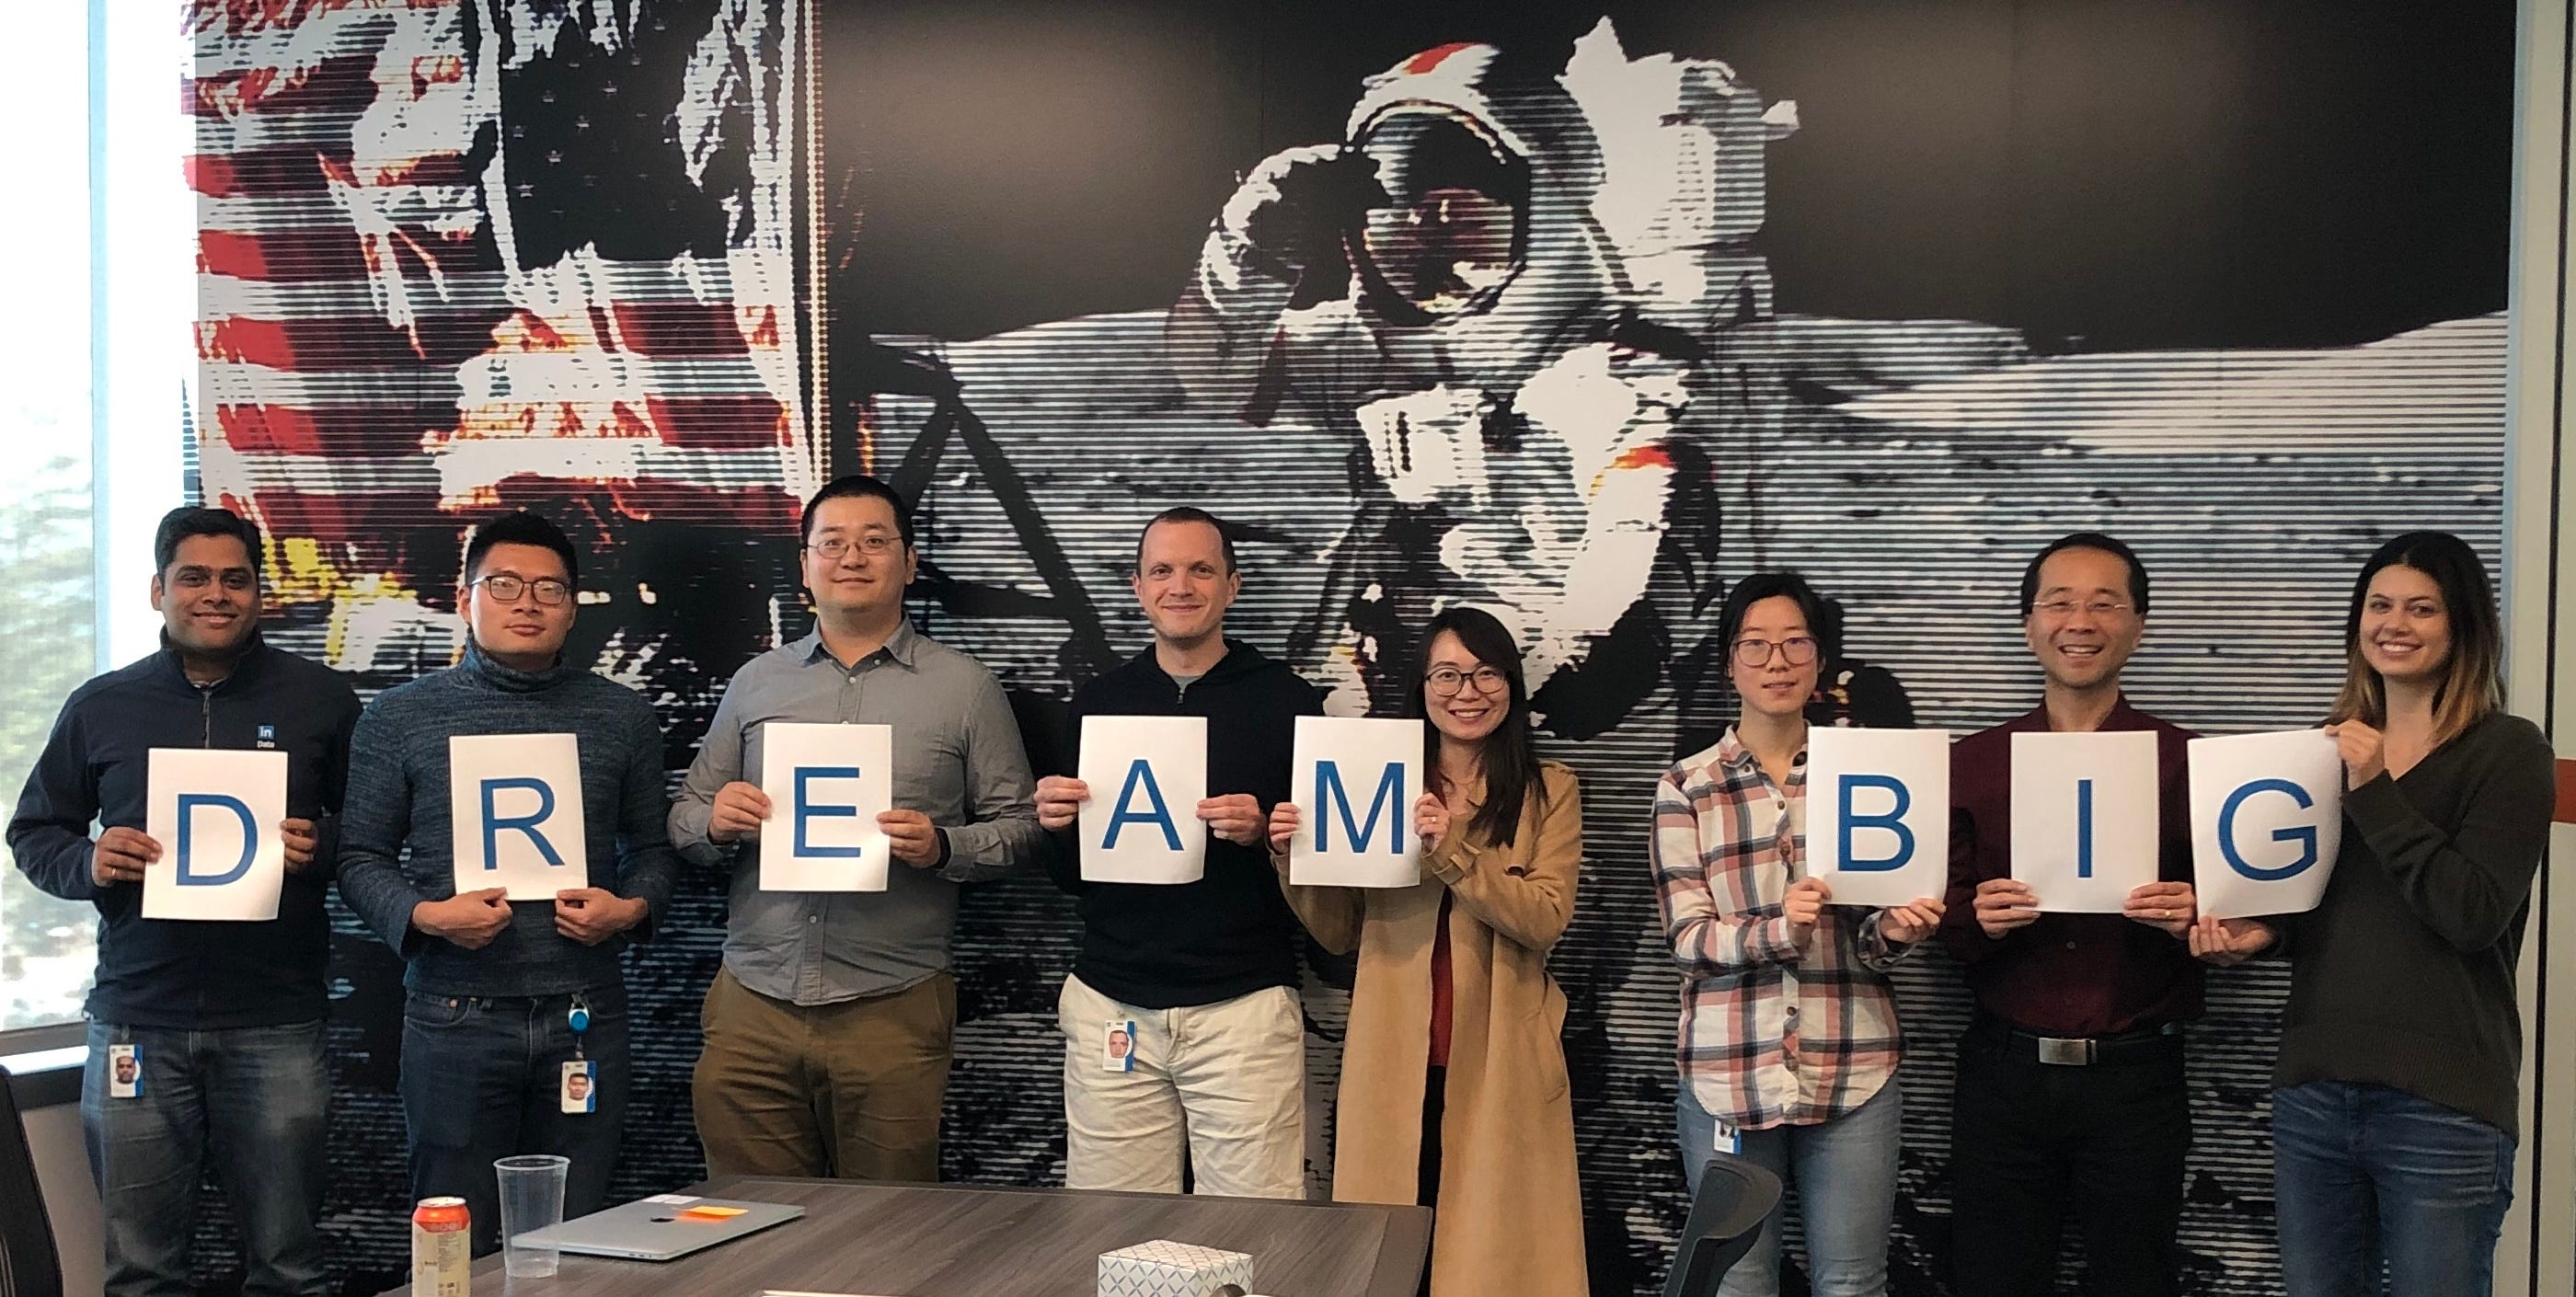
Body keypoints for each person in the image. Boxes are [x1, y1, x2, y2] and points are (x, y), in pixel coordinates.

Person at [2188, 532, 2553, 1297]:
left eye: (2422, 609)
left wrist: (2375, 787)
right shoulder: (2323, 750)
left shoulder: (2508, 751)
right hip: (2315, 1090)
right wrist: (2260, 934)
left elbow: (2472, 913)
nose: (2395, 624)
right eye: (2380, 605)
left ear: (2463, 627)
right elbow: (2331, 905)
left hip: (2443, 1104)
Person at [8, 506, 359, 1297]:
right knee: (140, 1272)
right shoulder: (102, 704)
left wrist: (321, 845)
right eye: (194, 577)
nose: (216, 594)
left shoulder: (321, 699)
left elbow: (371, 831)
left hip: (276, 1019)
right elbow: (34, 833)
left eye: (236, 579)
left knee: (289, 1266)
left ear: (260, 593)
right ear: (158, 590)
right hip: (138, 1018)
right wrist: (90, 860)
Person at [670, 474, 1042, 1181]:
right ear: (805, 564)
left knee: (889, 1227)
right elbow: (684, 817)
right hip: (753, 1004)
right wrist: (714, 824)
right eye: (832, 542)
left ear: (909, 561)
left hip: (892, 1007)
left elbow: (1022, 829)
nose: (852, 557)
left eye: (874, 541)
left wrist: (943, 847)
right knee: (749, 1222)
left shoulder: (964, 688)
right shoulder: (756, 682)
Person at [335, 510, 679, 1255]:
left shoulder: (620, 716)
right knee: (454, 1239)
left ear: (572, 607)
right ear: (465, 599)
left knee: (576, 1238)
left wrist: (630, 908)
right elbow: (359, 856)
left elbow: (654, 849)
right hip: (454, 1013)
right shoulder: (399, 716)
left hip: (585, 1012)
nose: (527, 603)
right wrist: (424, 916)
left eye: (549, 589)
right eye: (504, 585)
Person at [1266, 606, 1587, 1296]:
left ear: (1512, 685)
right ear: (1422, 685)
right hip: (1392, 1058)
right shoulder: (1375, 777)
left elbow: (1544, 917)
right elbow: (1338, 931)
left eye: (1486, 674)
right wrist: (1294, 858)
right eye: (1447, 674)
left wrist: (1452, 850)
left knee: (1493, 1264)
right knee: (1389, 1258)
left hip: (1502, 1061)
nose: (1466, 692)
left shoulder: (1549, 790)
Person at [1650, 571, 1943, 1297]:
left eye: (1794, 644)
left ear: (1819, 659)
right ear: (1729, 663)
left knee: (1852, 1283)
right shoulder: (1688, 785)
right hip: (1727, 1071)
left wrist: (1894, 930)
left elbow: (1871, 943)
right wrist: (1780, 929)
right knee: (1738, 1284)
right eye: (1755, 645)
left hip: (1853, 1064)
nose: (1776, 662)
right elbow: (1687, 939)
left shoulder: (1868, 773)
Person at [1938, 533, 2205, 1297]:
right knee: (1991, 1280)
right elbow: (1937, 920)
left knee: (2137, 1279)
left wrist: (2196, 916)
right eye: (2058, 603)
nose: (2079, 622)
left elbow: (2246, 921)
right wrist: (1975, 919)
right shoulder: (1972, 763)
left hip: (2138, 1080)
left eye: (2104, 604)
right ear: (2029, 625)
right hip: (2003, 1076)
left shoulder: (2191, 763)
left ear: (2138, 626)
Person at [1032, 506, 1322, 1197]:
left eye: (1201, 569)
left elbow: (1329, 869)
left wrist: (1268, 836)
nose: (1181, 586)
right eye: (1162, 570)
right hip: (1113, 1003)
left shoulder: (1289, 701)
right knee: (1112, 1228)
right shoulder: (1099, 701)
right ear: (1138, 587)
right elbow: (1073, 879)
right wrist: (1055, 826)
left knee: (1252, 1229)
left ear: (1233, 586)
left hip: (1242, 1006)